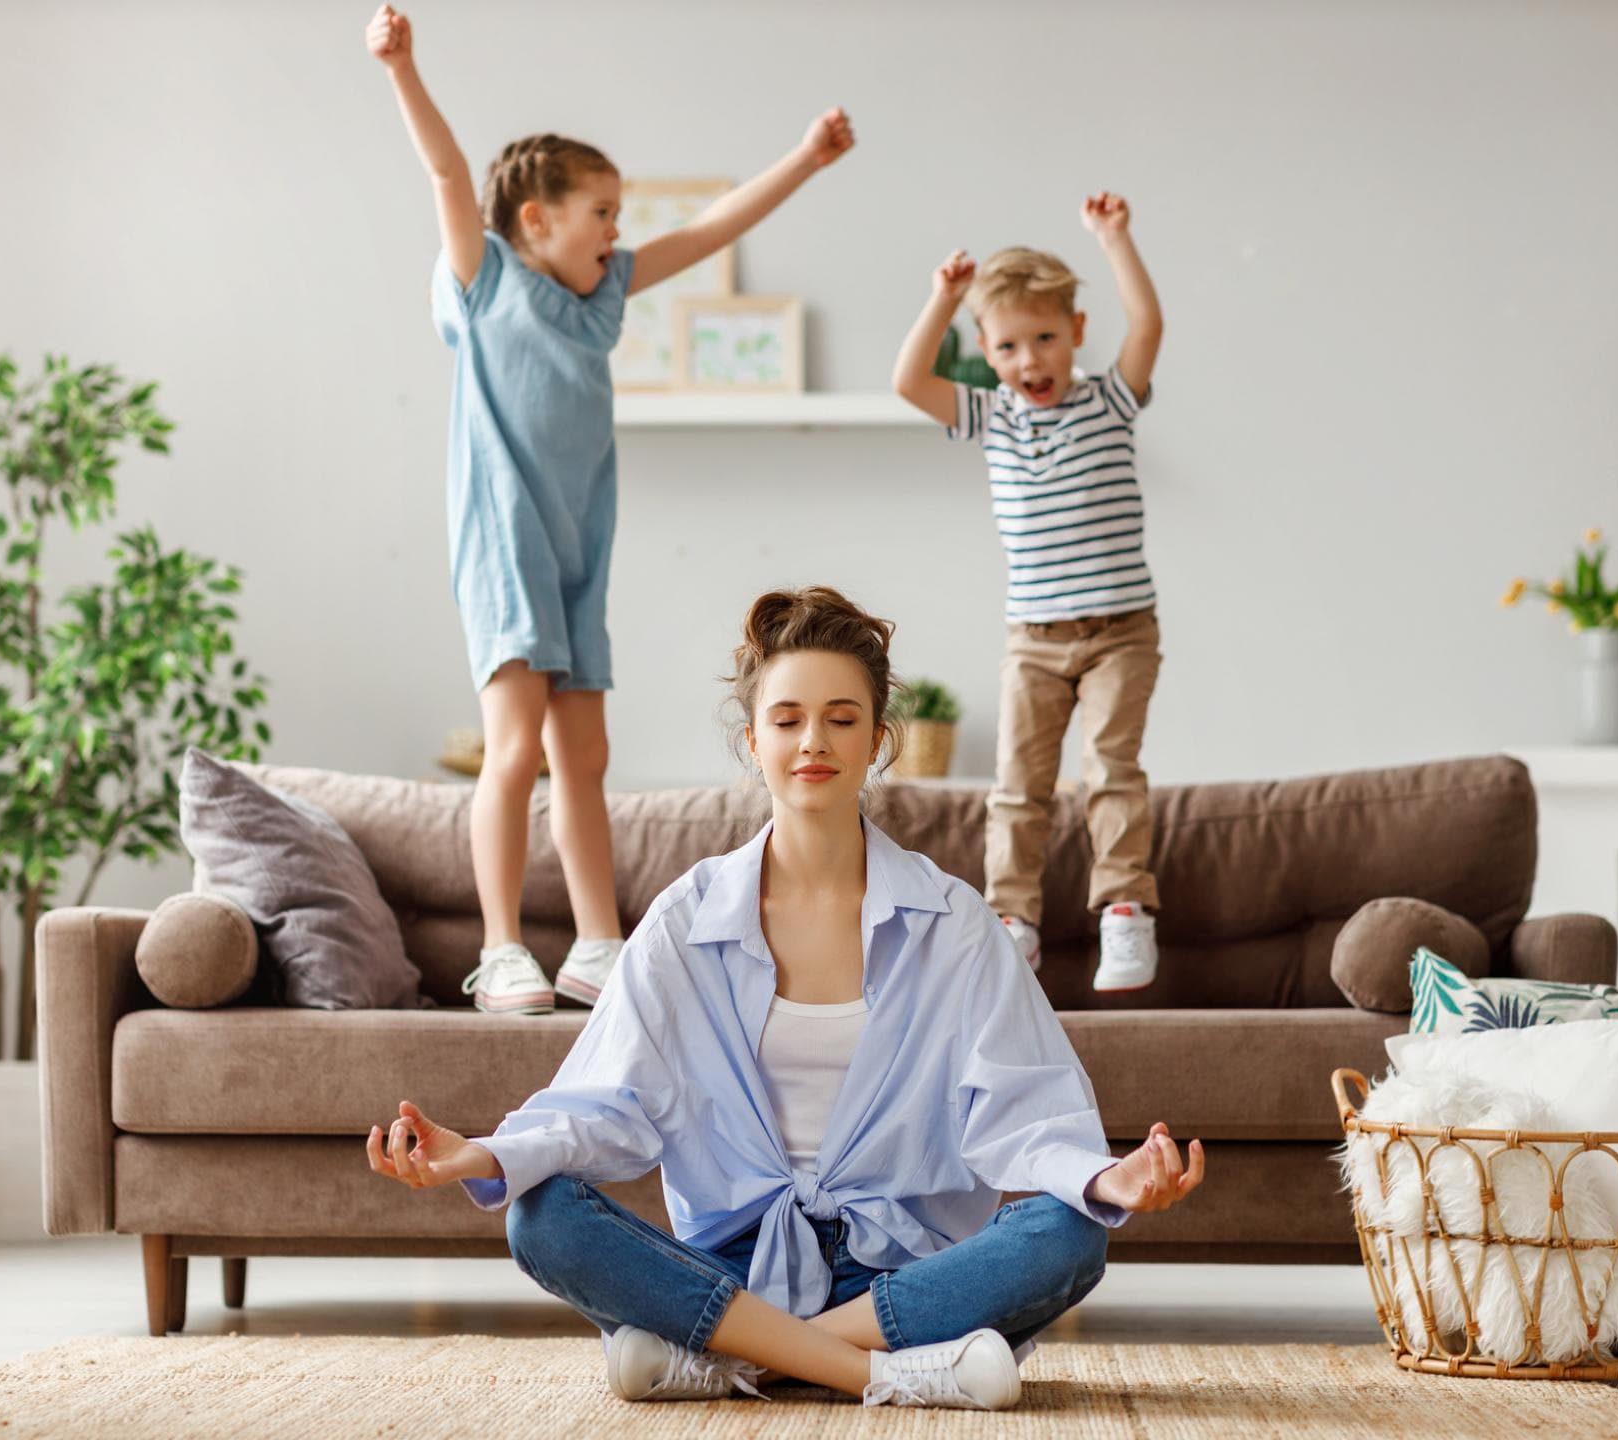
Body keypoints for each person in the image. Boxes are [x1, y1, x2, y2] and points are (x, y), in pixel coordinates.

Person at [366, 586, 1203, 1409]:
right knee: (539, 1215)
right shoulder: (686, 919)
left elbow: (1022, 1107)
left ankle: (733, 1358)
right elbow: (607, 1102)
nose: (814, 742)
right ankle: (886, 1373)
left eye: (842, 719)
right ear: (753, 740)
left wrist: (1107, 1177)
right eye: (788, 719)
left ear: (878, 740)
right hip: (730, 1270)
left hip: (900, 1272)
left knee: (1070, 1232)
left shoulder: (954, 923)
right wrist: (485, 1156)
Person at [365, 6, 854, 1016]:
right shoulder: (487, 280)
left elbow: (709, 231)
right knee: (514, 749)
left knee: (584, 755)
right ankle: (501, 948)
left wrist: (807, 160)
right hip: (505, 544)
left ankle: (597, 944)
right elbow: (449, 176)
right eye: (601, 211)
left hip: (579, 549)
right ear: (536, 219)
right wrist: (403, 68)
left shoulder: (603, 297)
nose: (616, 230)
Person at [891, 194, 1167, 991]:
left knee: (1111, 769)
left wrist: (1114, 240)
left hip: (1120, 632)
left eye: (1045, 338)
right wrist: (944, 297)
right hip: (1034, 640)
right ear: (985, 349)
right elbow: (909, 381)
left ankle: (1124, 910)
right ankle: (1012, 920)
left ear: (1076, 332)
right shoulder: (991, 417)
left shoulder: (1110, 400)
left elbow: (1148, 325)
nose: (1029, 360)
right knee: (1018, 786)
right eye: (1008, 346)